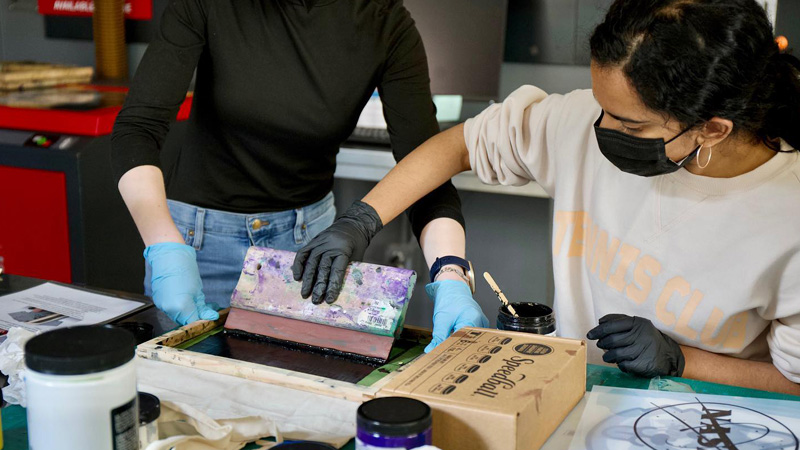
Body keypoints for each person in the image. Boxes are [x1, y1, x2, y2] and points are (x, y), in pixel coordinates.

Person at [293, 0, 800, 394]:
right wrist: (360, 219)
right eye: (601, 106)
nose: (599, 128)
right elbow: (458, 145)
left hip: (706, 420)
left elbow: (793, 381)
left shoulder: (786, 217)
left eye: (629, 123)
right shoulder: (577, 123)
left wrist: (683, 360)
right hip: (575, 400)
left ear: (711, 129)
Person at [110, 0, 488, 335]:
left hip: (311, 251)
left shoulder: (384, 21)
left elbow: (426, 165)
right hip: (197, 245)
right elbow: (138, 128)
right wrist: (163, 245)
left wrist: (451, 273)